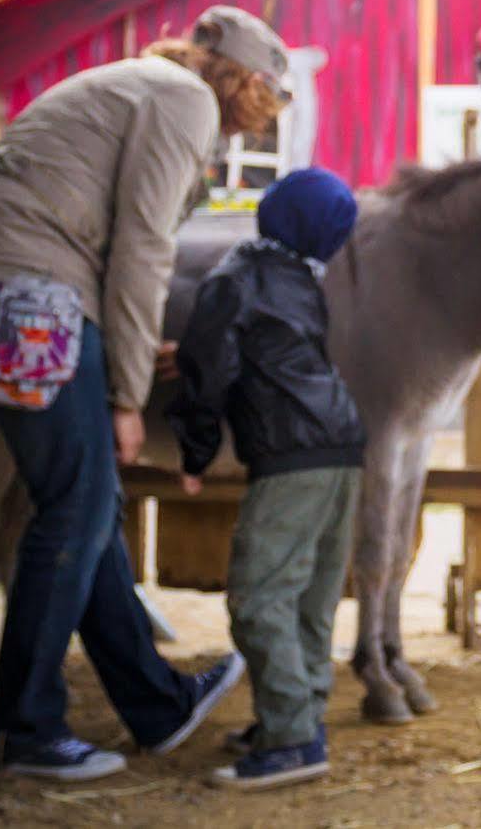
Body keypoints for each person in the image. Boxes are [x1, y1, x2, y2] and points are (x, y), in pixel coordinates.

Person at [0, 6, 290, 781]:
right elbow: (143, 245)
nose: (260, 118)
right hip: (25, 289)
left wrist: (113, 344)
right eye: (268, 97)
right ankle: (26, 730)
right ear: (248, 83)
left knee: (78, 499)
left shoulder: (135, 81)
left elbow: (91, 221)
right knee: (79, 504)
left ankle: (156, 703)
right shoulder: (185, 99)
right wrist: (126, 392)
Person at [166, 167, 366, 792]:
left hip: (291, 454)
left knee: (257, 596)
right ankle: (299, 717)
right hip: (342, 447)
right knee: (310, 599)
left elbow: (206, 369)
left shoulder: (237, 276)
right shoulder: (303, 281)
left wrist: (196, 455)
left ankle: (291, 739)